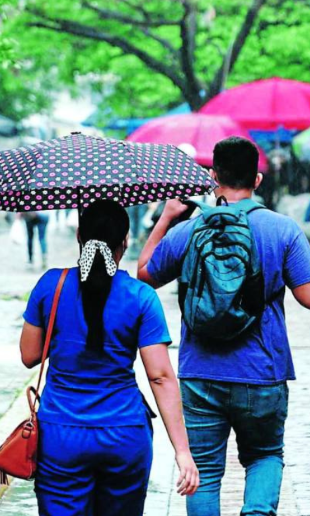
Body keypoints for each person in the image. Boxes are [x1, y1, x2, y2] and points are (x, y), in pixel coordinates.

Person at [138, 136, 310, 516]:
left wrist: (168, 215)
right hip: (263, 372)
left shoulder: (191, 230)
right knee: (264, 455)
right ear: (257, 179)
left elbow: (145, 274)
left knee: (204, 471)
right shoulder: (282, 229)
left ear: (213, 177)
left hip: (201, 372)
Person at [20, 200, 198, 515]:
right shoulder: (141, 296)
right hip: (124, 433)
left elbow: (29, 355)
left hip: (60, 433)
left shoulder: (51, 285)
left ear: (79, 236)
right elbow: (160, 376)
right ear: (125, 241)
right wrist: (182, 451)